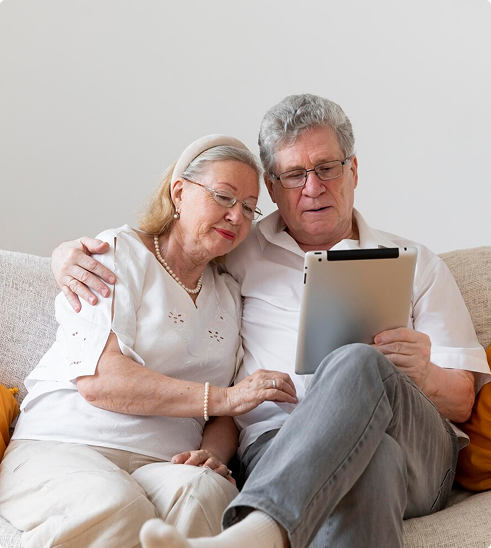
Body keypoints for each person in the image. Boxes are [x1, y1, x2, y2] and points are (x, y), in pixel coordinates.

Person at [49, 95, 490, 548]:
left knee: (357, 360)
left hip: (419, 450)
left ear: (353, 170)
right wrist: (66, 256)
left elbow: (460, 403)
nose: (313, 187)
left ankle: (258, 529)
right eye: (294, 175)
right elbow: (170, 247)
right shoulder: (239, 248)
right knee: (372, 463)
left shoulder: (418, 264)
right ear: (273, 189)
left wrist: (423, 373)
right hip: (277, 446)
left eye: (327, 168)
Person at [0, 134, 298, 548]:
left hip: (164, 462)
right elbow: (101, 380)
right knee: (119, 507)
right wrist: (225, 398)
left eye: (249, 208)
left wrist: (213, 454)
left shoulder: (230, 294)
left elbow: (226, 416)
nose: (237, 217)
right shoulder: (117, 252)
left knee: (206, 493)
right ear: (180, 192)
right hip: (66, 445)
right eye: (224, 197)